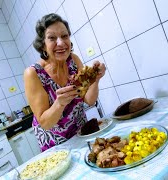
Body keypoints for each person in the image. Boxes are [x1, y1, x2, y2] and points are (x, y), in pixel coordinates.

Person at [24, 13, 106, 152]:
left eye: (64, 36)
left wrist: (95, 79)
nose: (61, 43)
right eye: (52, 38)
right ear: (43, 45)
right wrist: (59, 103)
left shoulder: (73, 60)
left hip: (82, 134)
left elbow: (89, 100)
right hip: (56, 145)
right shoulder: (33, 74)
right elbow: (45, 123)